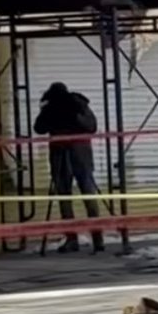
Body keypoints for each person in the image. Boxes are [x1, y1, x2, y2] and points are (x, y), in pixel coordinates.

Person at [33, 82, 104, 254]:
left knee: (65, 197)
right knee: (88, 194)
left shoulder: (57, 106)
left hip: (62, 154)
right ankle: (97, 240)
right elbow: (91, 127)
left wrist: (49, 111)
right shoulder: (78, 104)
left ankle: (73, 240)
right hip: (80, 154)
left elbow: (39, 128)